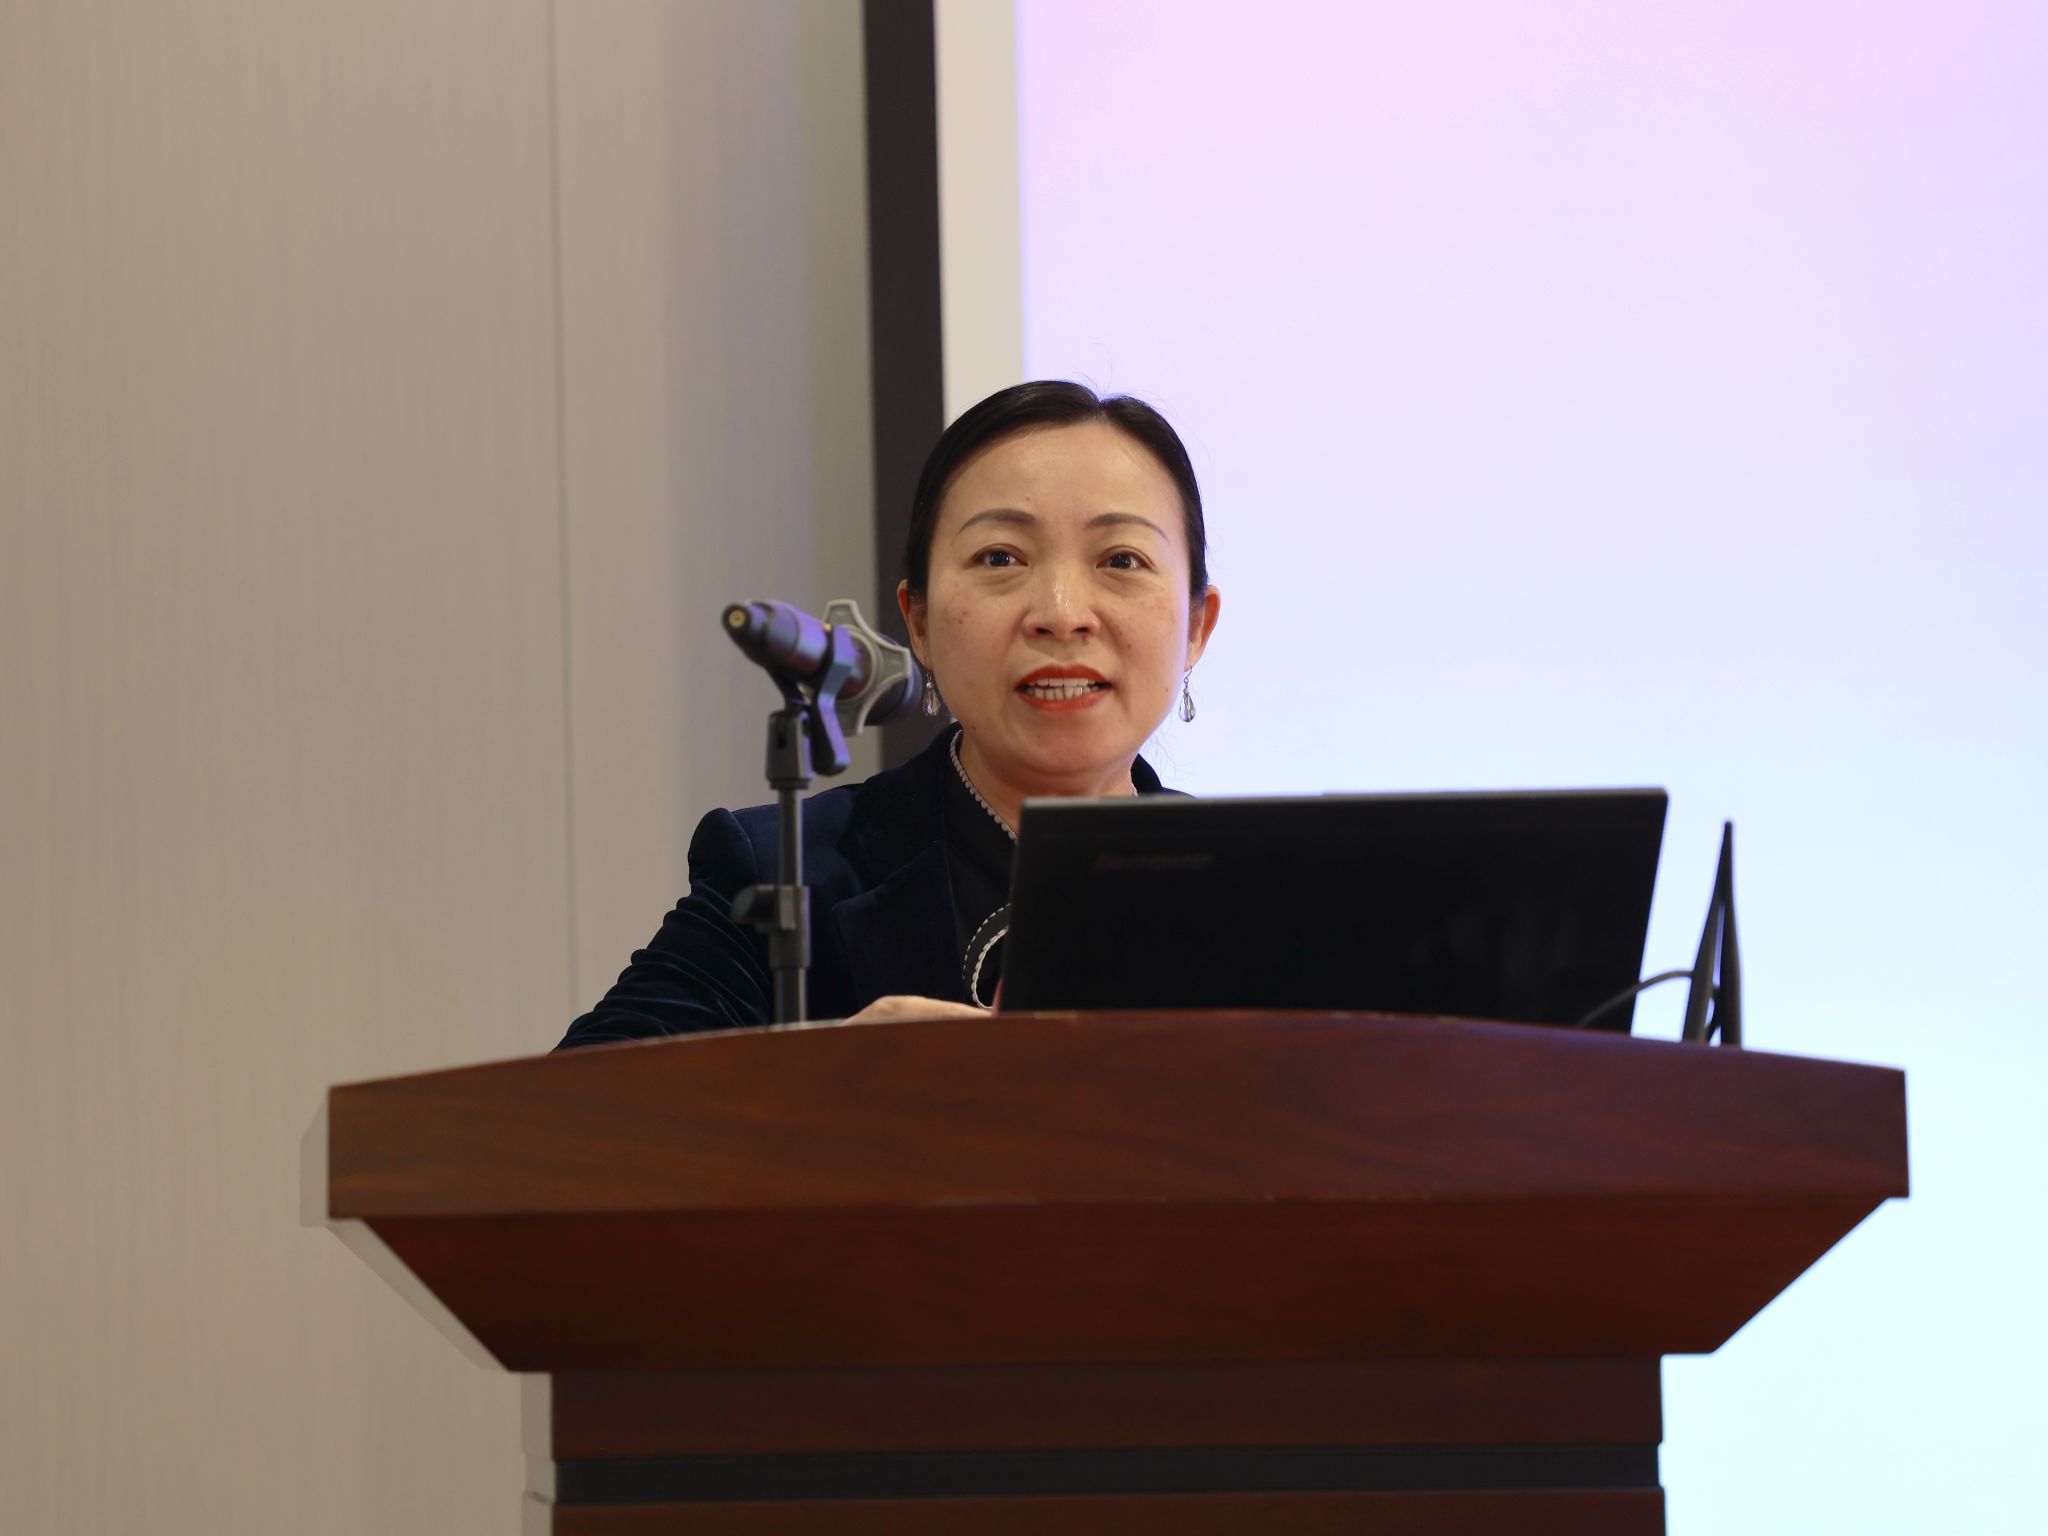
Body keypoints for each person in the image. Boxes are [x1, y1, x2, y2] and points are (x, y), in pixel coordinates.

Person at [555, 381, 1221, 1047]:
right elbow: (575, 1098)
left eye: (1122, 560)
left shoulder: (1254, 885)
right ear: (918, 621)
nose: (1061, 613)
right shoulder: (786, 872)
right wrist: (832, 1080)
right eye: (1000, 557)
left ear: (1197, 625)